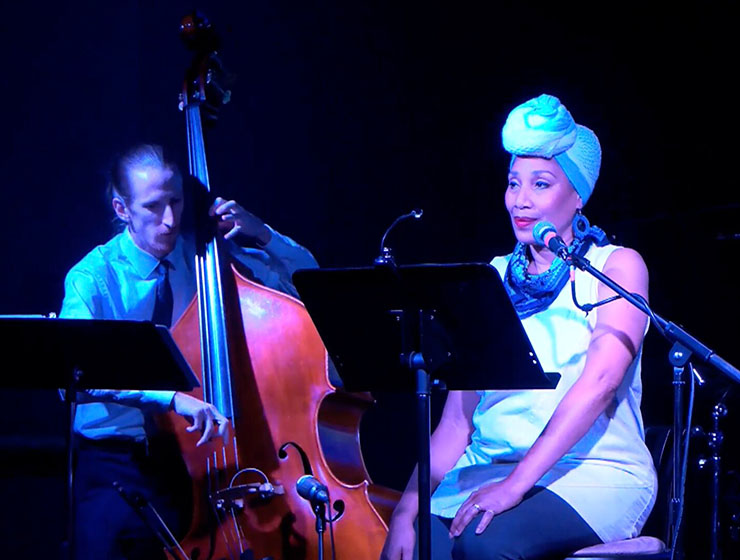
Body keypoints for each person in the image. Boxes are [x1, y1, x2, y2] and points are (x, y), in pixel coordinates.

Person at [381, 94, 657, 559]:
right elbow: (456, 424)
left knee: (483, 544)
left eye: (541, 184)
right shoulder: (488, 276)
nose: (520, 201)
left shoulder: (616, 268)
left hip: (592, 474)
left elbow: (600, 385)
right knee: (419, 546)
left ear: (578, 195)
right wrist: (405, 511)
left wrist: (513, 487)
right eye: (513, 184)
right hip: (488, 470)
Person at [59, 143, 318, 559]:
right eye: (152, 207)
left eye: (176, 202)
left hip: (198, 460)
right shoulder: (91, 278)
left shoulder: (199, 255)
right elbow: (79, 372)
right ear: (122, 209)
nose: (169, 220)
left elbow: (307, 278)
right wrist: (171, 398)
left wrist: (263, 233)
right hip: (115, 465)